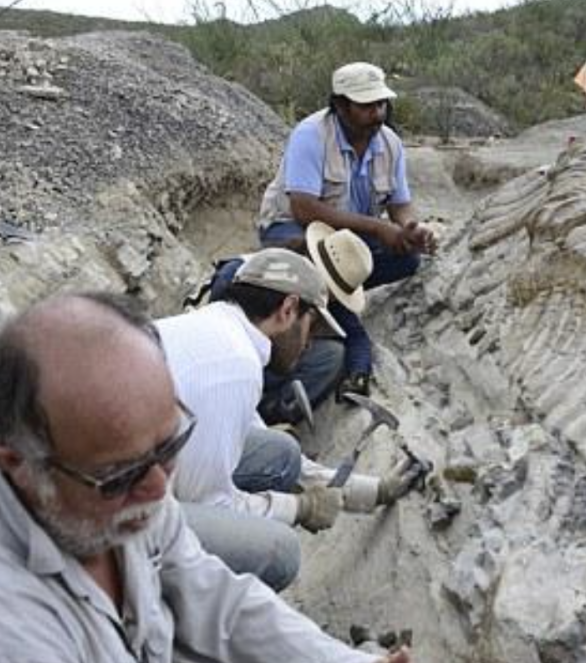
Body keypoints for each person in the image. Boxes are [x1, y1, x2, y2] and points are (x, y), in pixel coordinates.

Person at [0, 292, 408, 663]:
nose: (160, 489)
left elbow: (212, 594)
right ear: (16, 466)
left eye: (169, 444)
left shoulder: (112, 483)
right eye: (123, 474)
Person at [156, 248, 423, 591]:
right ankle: (181, 632)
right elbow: (211, 505)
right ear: (288, 309)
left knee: (280, 451)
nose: (310, 344)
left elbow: (264, 443)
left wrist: (371, 492)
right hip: (102, 525)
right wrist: (299, 507)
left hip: (118, 478)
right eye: (311, 329)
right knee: (280, 552)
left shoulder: (217, 327)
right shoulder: (233, 367)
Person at [257, 61, 437, 397]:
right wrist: (378, 227)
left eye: (380, 104)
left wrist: (411, 228)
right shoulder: (311, 135)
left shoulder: (390, 144)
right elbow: (303, 207)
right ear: (340, 105)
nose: (377, 113)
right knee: (310, 264)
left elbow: (399, 203)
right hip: (291, 229)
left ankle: (329, 296)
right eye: (366, 106)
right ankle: (355, 348)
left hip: (347, 238)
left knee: (408, 260)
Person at [197, 223, 375, 426]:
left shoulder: (323, 296)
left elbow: (357, 336)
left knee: (332, 355)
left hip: (262, 367)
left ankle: (270, 414)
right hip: (222, 367)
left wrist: (358, 374)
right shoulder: (243, 273)